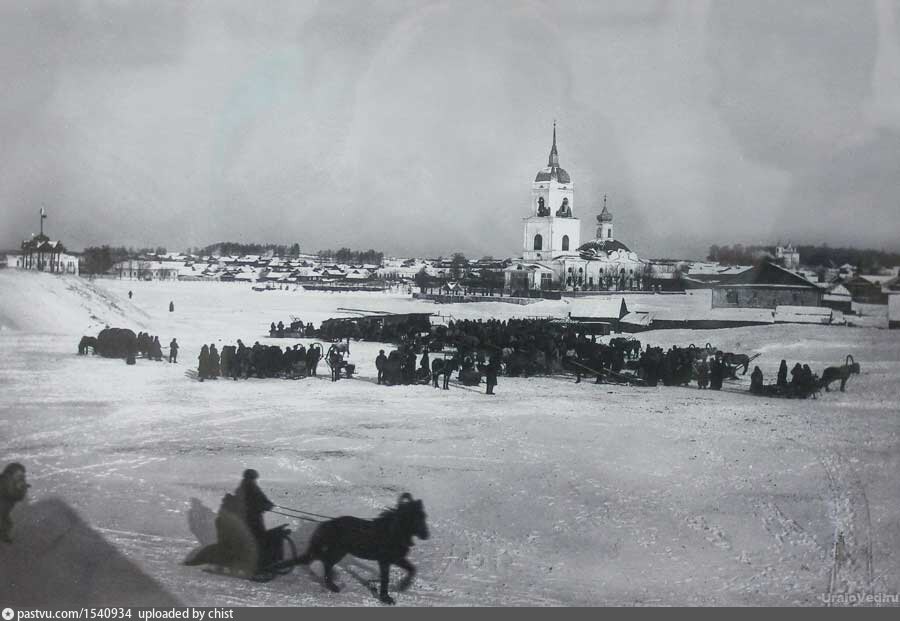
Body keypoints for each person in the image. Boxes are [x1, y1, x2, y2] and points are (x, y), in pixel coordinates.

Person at [0, 462, 29, 543]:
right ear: (11, 473)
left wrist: (22, 488)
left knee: (6, 522)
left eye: (23, 475)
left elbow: (19, 497)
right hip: (2, 507)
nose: (22, 477)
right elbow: (12, 493)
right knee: (6, 522)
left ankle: (4, 535)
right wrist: (19, 488)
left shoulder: (16, 481)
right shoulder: (5, 481)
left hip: (5, 508)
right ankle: (4, 535)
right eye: (19, 475)